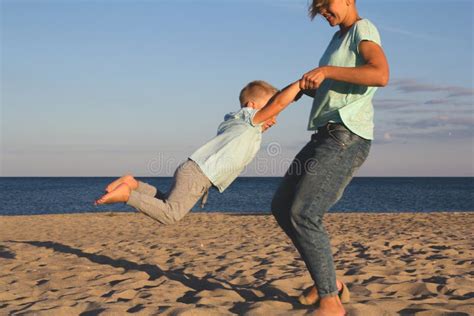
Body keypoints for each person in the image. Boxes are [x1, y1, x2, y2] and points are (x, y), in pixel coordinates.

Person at [271, 0, 389, 315]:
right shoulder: (337, 39)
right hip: (325, 133)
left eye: (326, 4)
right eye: (318, 8)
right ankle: (331, 284)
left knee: (305, 213)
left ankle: (330, 301)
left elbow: (379, 74)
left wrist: (325, 71)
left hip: (346, 136)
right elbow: (335, 85)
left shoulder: (363, 29)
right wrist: (296, 90)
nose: (322, 11)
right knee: (282, 206)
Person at [95, 80, 303, 225]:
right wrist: (300, 87)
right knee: (170, 215)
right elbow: (279, 102)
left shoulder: (237, 122)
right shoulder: (250, 120)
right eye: (271, 112)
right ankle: (127, 194)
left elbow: (273, 105)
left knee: (167, 202)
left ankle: (134, 184)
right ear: (251, 106)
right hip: (199, 174)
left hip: (193, 169)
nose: (274, 118)